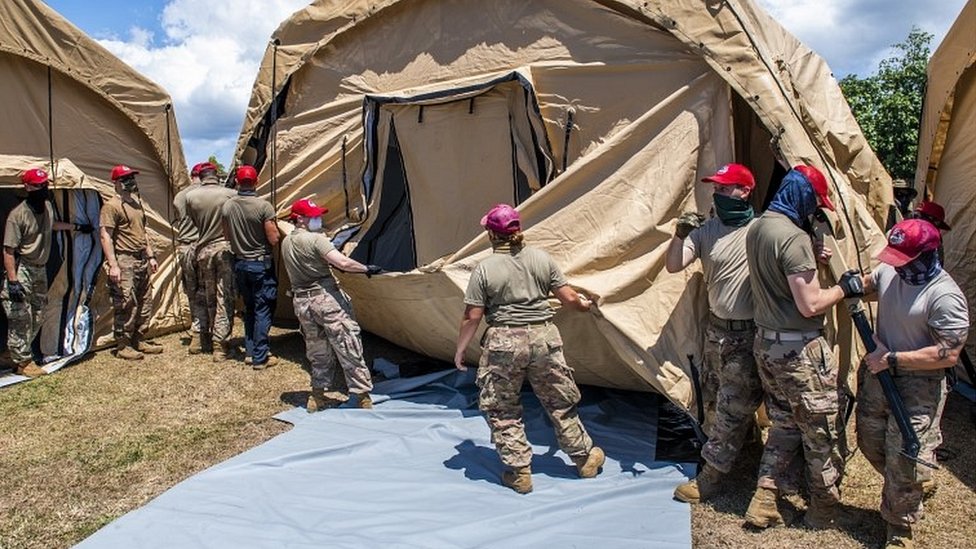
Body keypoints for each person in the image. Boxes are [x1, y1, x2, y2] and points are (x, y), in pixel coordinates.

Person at [454, 204, 605, 495]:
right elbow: (569, 297)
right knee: (560, 401)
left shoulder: (484, 269)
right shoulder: (541, 259)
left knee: (503, 408)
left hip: (503, 343)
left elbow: (472, 316)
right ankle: (584, 459)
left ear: (490, 234)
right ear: (518, 229)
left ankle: (519, 472)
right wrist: (583, 307)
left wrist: (460, 350)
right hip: (543, 339)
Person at [743, 166, 861, 529]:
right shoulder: (793, 238)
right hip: (799, 351)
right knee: (820, 431)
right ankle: (823, 508)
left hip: (767, 344)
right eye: (814, 204)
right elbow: (810, 305)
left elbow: (780, 271)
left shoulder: (759, 226)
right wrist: (846, 288)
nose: (815, 212)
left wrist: (809, 255)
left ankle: (764, 498)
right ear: (804, 198)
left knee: (783, 424)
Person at [856, 219, 968, 549]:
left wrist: (893, 359)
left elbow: (948, 354)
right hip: (880, 378)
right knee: (870, 441)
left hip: (919, 385)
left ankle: (899, 527)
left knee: (905, 454)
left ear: (925, 256)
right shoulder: (892, 270)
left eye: (903, 258)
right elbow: (869, 282)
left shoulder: (945, 296)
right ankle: (910, 483)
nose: (894, 264)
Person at [666, 163, 763, 504]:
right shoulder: (708, 231)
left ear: (744, 191)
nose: (718, 194)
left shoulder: (761, 230)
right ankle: (748, 450)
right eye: (716, 189)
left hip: (748, 333)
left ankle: (711, 477)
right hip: (716, 332)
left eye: (725, 188)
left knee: (731, 406)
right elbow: (675, 265)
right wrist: (679, 234)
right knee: (714, 398)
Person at [280, 198, 381, 410]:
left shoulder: (286, 242)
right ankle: (361, 396)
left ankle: (317, 395)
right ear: (300, 219)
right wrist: (367, 268)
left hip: (302, 302)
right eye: (313, 216)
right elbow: (342, 262)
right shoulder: (317, 240)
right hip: (326, 300)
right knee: (347, 343)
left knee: (317, 350)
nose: (318, 219)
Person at [2, 168, 94, 377]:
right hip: (22, 267)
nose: (44, 189)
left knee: (38, 313)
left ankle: (13, 353)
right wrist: (13, 281)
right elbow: (8, 250)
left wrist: (77, 227)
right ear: (28, 187)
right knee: (20, 316)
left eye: (45, 185)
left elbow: (52, 226)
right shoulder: (17, 216)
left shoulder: (46, 207)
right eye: (39, 185)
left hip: (39, 269)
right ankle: (23, 362)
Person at [99, 165, 162, 361]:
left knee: (145, 300)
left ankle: (139, 338)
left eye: (132, 178)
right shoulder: (111, 206)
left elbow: (143, 234)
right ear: (116, 183)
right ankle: (123, 344)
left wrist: (150, 256)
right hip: (124, 258)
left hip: (141, 258)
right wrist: (113, 264)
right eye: (126, 178)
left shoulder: (136, 205)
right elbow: (105, 236)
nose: (131, 182)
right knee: (126, 302)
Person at [221, 165, 279, 369]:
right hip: (260, 264)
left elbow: (227, 235)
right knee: (263, 308)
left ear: (237, 182)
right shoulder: (264, 206)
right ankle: (260, 357)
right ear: (257, 182)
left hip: (240, 264)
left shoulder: (228, 206)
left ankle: (250, 350)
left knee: (250, 308)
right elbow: (273, 239)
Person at [185, 162, 237, 361]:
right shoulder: (230, 194)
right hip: (224, 249)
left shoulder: (191, 197)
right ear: (216, 175)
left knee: (207, 295)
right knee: (225, 296)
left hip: (203, 250)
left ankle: (203, 337)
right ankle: (220, 345)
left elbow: (194, 221)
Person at [173, 162, 207, 354]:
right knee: (208, 292)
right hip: (201, 246)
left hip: (185, 248)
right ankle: (204, 334)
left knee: (192, 292)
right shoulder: (205, 195)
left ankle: (197, 334)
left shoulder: (180, 195)